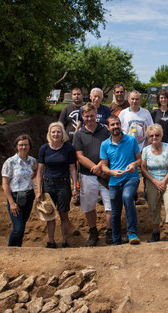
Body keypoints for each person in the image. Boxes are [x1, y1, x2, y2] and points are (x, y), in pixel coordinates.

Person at [73, 103, 112, 246]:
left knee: (110, 205)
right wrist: (95, 168)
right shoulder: (79, 134)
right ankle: (93, 231)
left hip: (106, 174)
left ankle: (109, 232)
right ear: (82, 117)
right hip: (87, 175)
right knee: (89, 206)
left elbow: (110, 150)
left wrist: (101, 166)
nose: (89, 118)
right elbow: (79, 156)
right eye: (86, 116)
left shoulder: (105, 131)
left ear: (96, 115)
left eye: (92, 115)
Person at [100, 115, 142, 245]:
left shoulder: (131, 140)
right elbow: (103, 166)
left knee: (128, 197)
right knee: (115, 211)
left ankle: (132, 234)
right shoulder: (105, 144)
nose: (115, 127)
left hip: (131, 178)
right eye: (112, 125)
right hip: (114, 181)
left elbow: (140, 160)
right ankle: (116, 239)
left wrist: (133, 165)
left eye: (117, 124)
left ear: (120, 125)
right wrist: (111, 172)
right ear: (108, 128)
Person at [35, 122, 77, 248]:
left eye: (58, 132)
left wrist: (75, 187)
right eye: (53, 132)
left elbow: (72, 168)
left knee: (64, 213)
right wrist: (38, 189)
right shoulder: (44, 149)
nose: (56, 134)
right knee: (50, 214)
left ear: (62, 133)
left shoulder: (68, 148)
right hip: (48, 185)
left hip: (63, 184)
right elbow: (40, 170)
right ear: (49, 134)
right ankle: (51, 241)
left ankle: (65, 240)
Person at [141, 124, 168, 242]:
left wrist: (163, 181)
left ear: (161, 135)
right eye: (151, 136)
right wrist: (155, 182)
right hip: (152, 181)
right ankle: (155, 233)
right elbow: (144, 168)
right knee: (153, 207)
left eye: (157, 135)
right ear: (148, 137)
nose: (154, 137)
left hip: (167, 180)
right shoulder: (146, 150)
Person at [2, 134, 37, 247]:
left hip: (29, 195)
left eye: (26, 145)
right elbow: (5, 184)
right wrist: (11, 202)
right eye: (21, 145)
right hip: (15, 197)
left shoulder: (32, 161)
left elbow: (35, 172)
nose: (23, 147)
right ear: (16, 146)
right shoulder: (10, 162)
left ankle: (18, 248)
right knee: (18, 228)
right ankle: (11, 248)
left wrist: (27, 181)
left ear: (29, 146)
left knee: (22, 224)